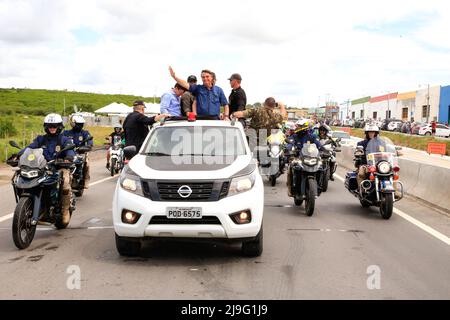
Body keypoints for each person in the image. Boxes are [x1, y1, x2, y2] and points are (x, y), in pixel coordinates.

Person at [15, 113, 75, 225]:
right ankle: (30, 206)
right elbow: (30, 148)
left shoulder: (64, 140)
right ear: (46, 126)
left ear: (60, 126)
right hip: (41, 168)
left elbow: (70, 150)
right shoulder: (40, 139)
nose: (52, 128)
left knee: (65, 183)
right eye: (50, 125)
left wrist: (68, 158)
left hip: (59, 167)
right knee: (19, 178)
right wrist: (18, 155)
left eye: (55, 125)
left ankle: (65, 211)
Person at [285, 118, 323, 197]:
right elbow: (290, 143)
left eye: (299, 126)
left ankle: (319, 186)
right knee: (292, 169)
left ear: (304, 127)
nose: (297, 128)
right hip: (298, 157)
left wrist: (324, 150)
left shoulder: (312, 136)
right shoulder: (294, 136)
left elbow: (318, 144)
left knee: (321, 168)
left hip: (310, 157)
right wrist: (289, 149)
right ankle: (292, 188)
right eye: (297, 126)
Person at [63, 113, 93, 188]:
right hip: (68, 153)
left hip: (80, 152)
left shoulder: (85, 133)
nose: (80, 125)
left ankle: (86, 179)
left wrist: (88, 146)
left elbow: (90, 141)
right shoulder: (66, 133)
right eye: (78, 124)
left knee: (86, 162)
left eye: (81, 124)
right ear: (73, 123)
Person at [355, 123, 380, 192]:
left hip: (378, 164)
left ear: (376, 133)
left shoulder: (380, 143)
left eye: (373, 132)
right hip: (366, 164)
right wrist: (359, 151)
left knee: (391, 172)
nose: (372, 134)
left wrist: (395, 151)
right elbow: (358, 150)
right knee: (361, 173)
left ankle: (394, 191)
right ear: (367, 133)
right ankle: (362, 190)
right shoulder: (361, 143)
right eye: (370, 132)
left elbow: (386, 149)